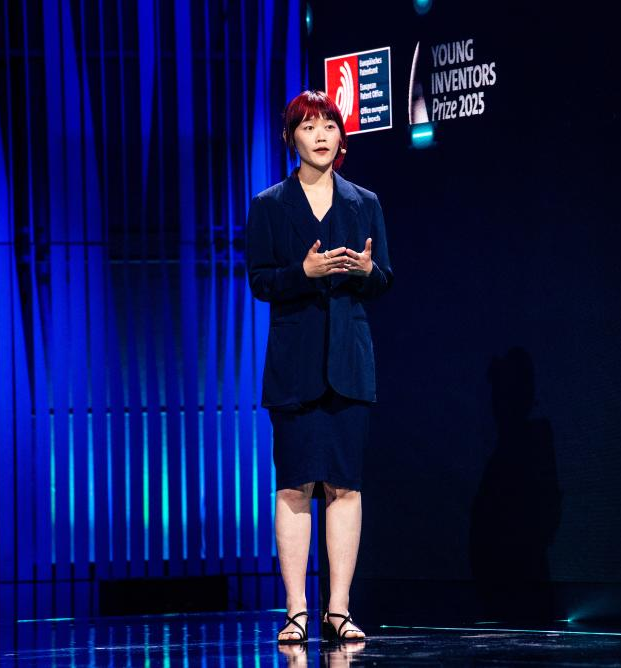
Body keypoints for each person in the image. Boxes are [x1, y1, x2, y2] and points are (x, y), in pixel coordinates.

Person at [246, 90, 393, 645]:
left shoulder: (364, 202)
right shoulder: (268, 205)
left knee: (345, 487)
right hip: (294, 367)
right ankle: (296, 611)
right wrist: (301, 273)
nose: (322, 135)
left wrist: (366, 271)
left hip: (349, 365)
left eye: (330, 124)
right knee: (294, 486)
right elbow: (260, 280)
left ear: (341, 137)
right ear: (292, 138)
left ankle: (339, 609)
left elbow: (384, 279)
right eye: (309, 126)